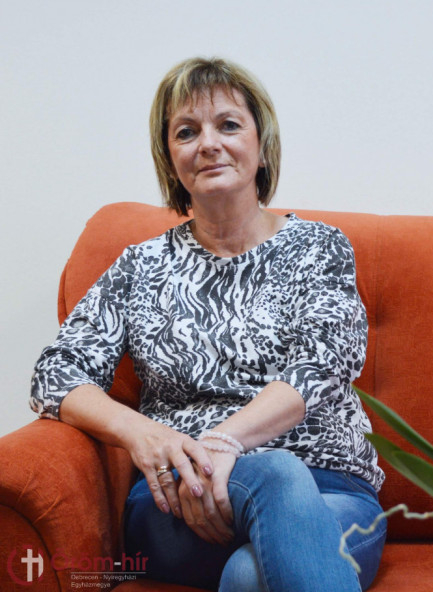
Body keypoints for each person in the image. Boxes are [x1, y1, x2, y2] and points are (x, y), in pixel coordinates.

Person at [30, 57, 386, 592]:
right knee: (273, 474)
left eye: (228, 125)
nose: (208, 144)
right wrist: (144, 434)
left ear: (261, 145)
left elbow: (321, 366)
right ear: (170, 158)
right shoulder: (140, 267)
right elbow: (55, 375)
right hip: (180, 501)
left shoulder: (319, 248)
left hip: (328, 490)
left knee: (249, 574)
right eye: (187, 132)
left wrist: (223, 443)